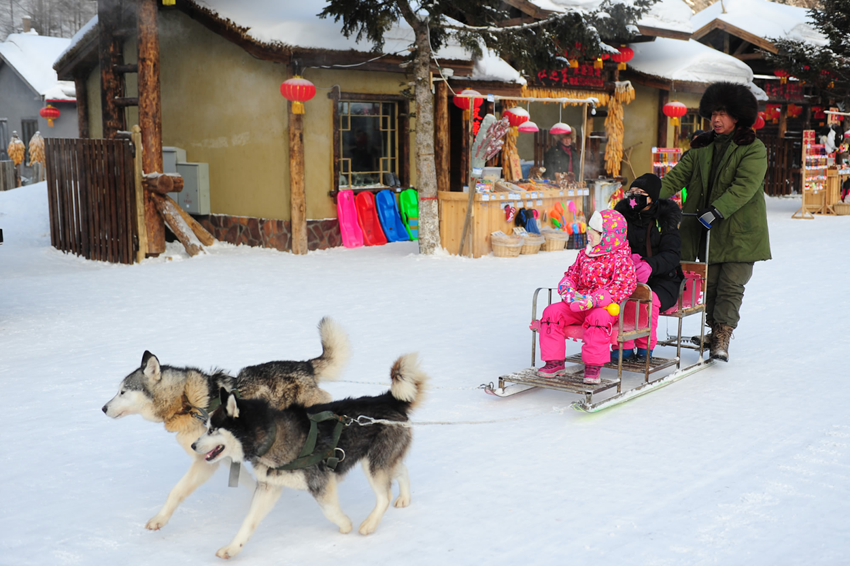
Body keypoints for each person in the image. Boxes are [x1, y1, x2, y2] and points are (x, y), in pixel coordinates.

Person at [658, 82, 770, 362]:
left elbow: (744, 186)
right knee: (709, 284)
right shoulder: (701, 146)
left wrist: (717, 210)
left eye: (722, 114)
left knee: (732, 284)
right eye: (713, 114)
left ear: (737, 116)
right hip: (706, 230)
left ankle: (722, 335)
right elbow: (676, 177)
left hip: (740, 231)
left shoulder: (753, 148)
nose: (716, 119)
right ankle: (713, 329)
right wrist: (647, 194)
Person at [537, 209, 636, 384]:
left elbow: (624, 285)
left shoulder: (621, 259)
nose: (589, 233)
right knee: (551, 313)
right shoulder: (585, 254)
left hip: (603, 307)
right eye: (590, 229)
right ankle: (554, 361)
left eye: (595, 231)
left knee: (598, 318)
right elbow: (572, 274)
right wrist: (568, 288)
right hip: (579, 303)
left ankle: (593, 365)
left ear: (608, 236)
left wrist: (596, 299)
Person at [613, 173, 683, 362]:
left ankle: (645, 346)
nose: (634, 197)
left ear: (652, 197)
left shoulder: (664, 220)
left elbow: (672, 254)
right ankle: (623, 344)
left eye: (640, 193)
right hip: (628, 276)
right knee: (619, 299)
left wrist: (650, 265)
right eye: (631, 192)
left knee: (647, 300)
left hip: (663, 279)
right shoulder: (622, 218)